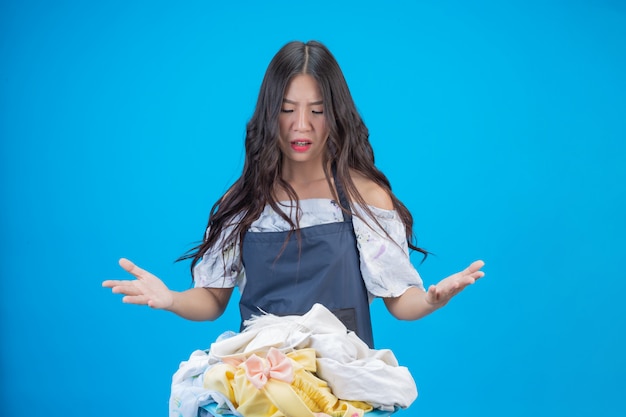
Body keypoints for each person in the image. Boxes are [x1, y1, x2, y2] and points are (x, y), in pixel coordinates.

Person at [102, 40, 484, 415]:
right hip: (259, 388)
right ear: (270, 114)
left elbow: (401, 302)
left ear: (336, 115)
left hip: (342, 390)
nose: (302, 125)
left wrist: (433, 299)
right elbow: (212, 300)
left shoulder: (366, 198)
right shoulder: (244, 201)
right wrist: (171, 298)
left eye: (317, 111)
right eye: (288, 109)